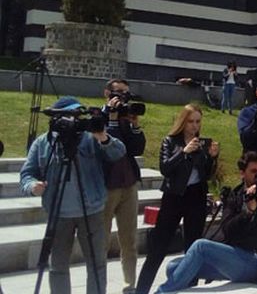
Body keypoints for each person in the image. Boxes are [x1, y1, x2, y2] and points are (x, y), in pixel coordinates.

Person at [20, 96, 126, 294]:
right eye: (70, 115)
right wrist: (32, 185)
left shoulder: (90, 137)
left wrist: (103, 136)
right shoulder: (43, 143)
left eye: (78, 115)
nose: (74, 120)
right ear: (56, 119)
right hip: (58, 213)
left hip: (92, 209)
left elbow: (118, 152)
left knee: (97, 264)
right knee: (58, 266)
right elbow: (27, 173)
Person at [155, 151, 257, 293]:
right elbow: (227, 229)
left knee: (200, 246)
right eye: (254, 171)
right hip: (234, 257)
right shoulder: (236, 195)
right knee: (173, 267)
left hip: (255, 261)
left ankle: (161, 292)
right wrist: (248, 211)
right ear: (242, 173)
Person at [136, 104, 219, 294]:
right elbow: (165, 168)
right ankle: (142, 290)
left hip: (195, 197)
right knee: (159, 246)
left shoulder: (202, 143)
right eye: (190, 121)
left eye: (198, 122)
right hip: (174, 196)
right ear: (183, 121)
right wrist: (183, 152)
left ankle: (190, 288)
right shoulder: (170, 141)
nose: (194, 126)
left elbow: (206, 174)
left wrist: (212, 157)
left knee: (193, 248)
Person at [102, 79, 146, 294]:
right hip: (106, 186)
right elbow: (113, 149)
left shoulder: (127, 118)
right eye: (118, 93)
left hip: (128, 184)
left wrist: (135, 124)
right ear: (107, 93)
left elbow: (137, 149)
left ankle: (130, 285)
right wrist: (111, 118)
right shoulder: (97, 117)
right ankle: (98, 283)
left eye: (126, 94)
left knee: (129, 239)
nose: (123, 98)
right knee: (101, 238)